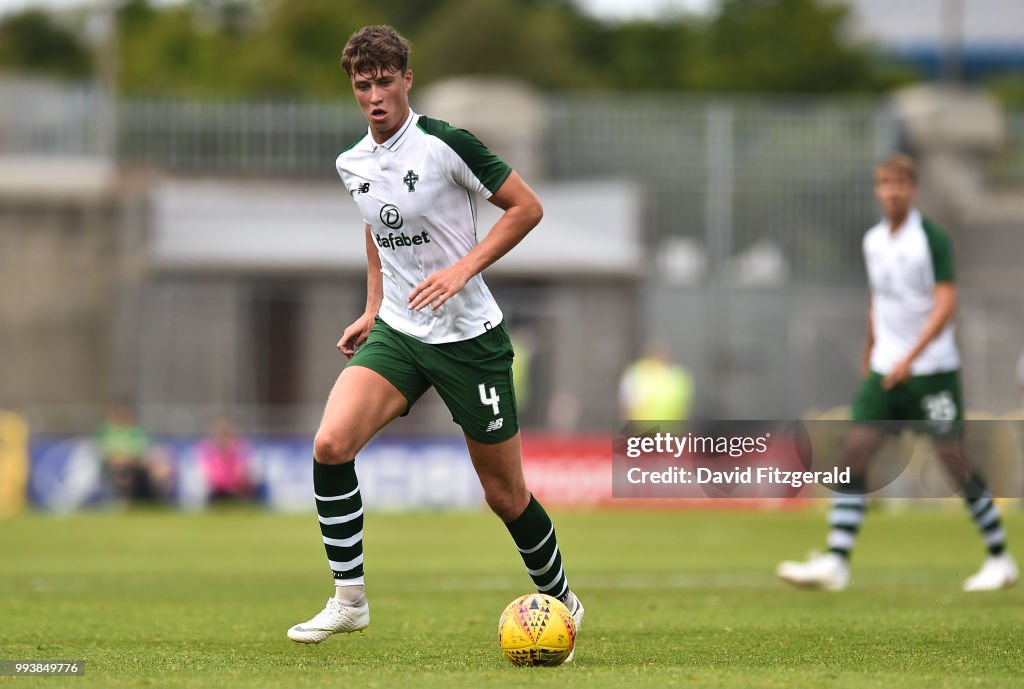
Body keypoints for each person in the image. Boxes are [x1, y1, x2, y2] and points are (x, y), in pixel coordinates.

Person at [286, 25, 584, 652]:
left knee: (504, 496)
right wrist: (372, 307)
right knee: (331, 443)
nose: (374, 96)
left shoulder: (444, 144)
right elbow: (376, 228)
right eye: (362, 85)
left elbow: (526, 207)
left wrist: (462, 268)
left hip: (468, 338)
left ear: (406, 80)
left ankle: (561, 599)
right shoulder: (352, 163)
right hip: (399, 330)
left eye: (384, 81)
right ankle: (349, 602)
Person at [777, 154, 1017, 592]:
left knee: (953, 463)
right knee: (854, 453)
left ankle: (1000, 558)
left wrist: (912, 356)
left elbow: (946, 303)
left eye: (900, 184)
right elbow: (879, 301)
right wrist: (872, 352)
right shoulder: (874, 241)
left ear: (912, 189)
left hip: (931, 372)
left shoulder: (930, 239)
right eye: (885, 184)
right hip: (888, 372)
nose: (892, 191)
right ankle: (836, 561)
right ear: (877, 190)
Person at [95, 401, 171, 504]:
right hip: (116, 467)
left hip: (137, 465)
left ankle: (157, 500)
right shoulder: (107, 431)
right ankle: (122, 500)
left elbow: (147, 451)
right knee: (121, 465)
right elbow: (106, 454)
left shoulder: (138, 432)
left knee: (161, 468)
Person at [618, 343, 694, 420]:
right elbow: (626, 404)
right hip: (642, 426)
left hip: (670, 425)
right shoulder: (637, 372)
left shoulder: (678, 374)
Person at [196, 418, 253, 504]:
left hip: (235, 486)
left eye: (225, 434)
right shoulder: (207, 448)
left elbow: (243, 468)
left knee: (248, 475)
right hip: (216, 488)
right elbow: (206, 471)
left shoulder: (240, 447)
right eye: (220, 433)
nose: (223, 437)